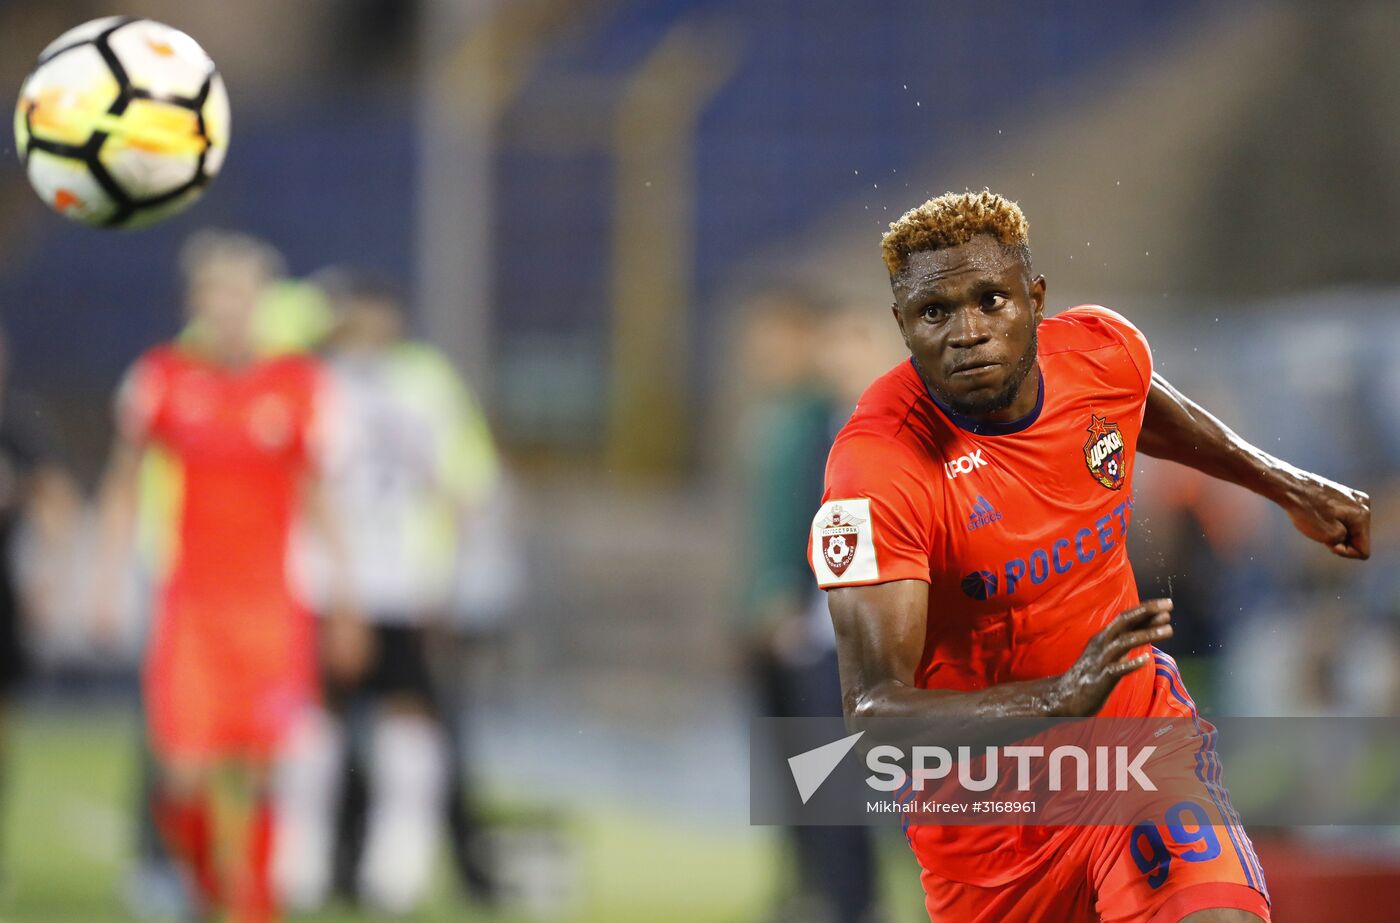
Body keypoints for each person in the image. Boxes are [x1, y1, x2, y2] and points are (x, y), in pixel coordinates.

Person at [808, 191, 1370, 923]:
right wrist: (1055, 697)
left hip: (1135, 741)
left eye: (991, 300)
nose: (967, 331)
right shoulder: (876, 471)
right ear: (903, 326)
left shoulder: (1102, 351)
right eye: (935, 312)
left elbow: (1142, 405)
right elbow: (874, 712)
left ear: (1035, 300)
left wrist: (1286, 484)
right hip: (988, 821)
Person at [92, 231, 366, 923]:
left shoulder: (297, 385)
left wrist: (346, 599)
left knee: (265, 768)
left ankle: (256, 908)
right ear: (197, 303)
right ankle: (209, 890)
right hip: (193, 605)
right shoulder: (161, 377)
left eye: (245, 294)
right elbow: (123, 483)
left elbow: (319, 498)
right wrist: (104, 578)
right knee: (182, 771)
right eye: (219, 293)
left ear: (264, 304)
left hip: (271, 609)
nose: (232, 308)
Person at [275, 272, 501, 914]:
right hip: (325, 578)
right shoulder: (313, 379)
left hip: (401, 582)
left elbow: (466, 485)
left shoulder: (421, 382)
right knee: (316, 719)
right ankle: (309, 863)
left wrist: (452, 578)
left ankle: (390, 866)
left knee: (407, 717)